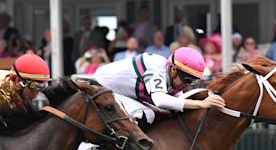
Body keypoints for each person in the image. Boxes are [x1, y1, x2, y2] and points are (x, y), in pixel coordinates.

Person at [93, 46, 225, 126]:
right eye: (187, 79)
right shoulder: (155, 67)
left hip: (123, 93)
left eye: (194, 81)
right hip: (102, 89)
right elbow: (161, 100)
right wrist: (201, 104)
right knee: (147, 114)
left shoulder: (172, 76)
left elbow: (179, 101)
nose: (188, 84)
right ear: (173, 69)